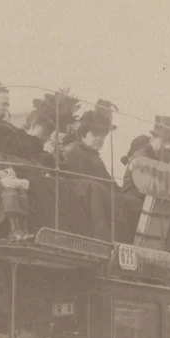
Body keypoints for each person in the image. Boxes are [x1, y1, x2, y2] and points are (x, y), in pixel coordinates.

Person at [58, 102, 117, 240]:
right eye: (95, 134)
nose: (100, 139)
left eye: (103, 135)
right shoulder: (77, 153)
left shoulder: (92, 155)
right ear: (84, 133)